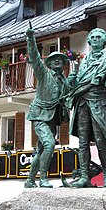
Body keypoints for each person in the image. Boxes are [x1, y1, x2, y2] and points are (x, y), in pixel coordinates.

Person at [68, 28, 106, 188]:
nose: (95, 39)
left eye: (98, 37)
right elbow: (79, 85)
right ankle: (84, 176)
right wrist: (73, 81)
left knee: (101, 142)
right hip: (82, 103)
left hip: (99, 103)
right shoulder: (84, 61)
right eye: (92, 37)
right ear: (89, 41)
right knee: (82, 143)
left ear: (104, 40)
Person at [24, 27, 71, 188]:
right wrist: (31, 39)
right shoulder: (44, 74)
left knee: (42, 149)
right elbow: (35, 58)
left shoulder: (64, 81)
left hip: (53, 119)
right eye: (54, 59)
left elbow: (69, 96)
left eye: (61, 60)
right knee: (50, 144)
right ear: (49, 64)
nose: (57, 61)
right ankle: (43, 178)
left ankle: (30, 180)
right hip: (40, 115)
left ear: (64, 64)